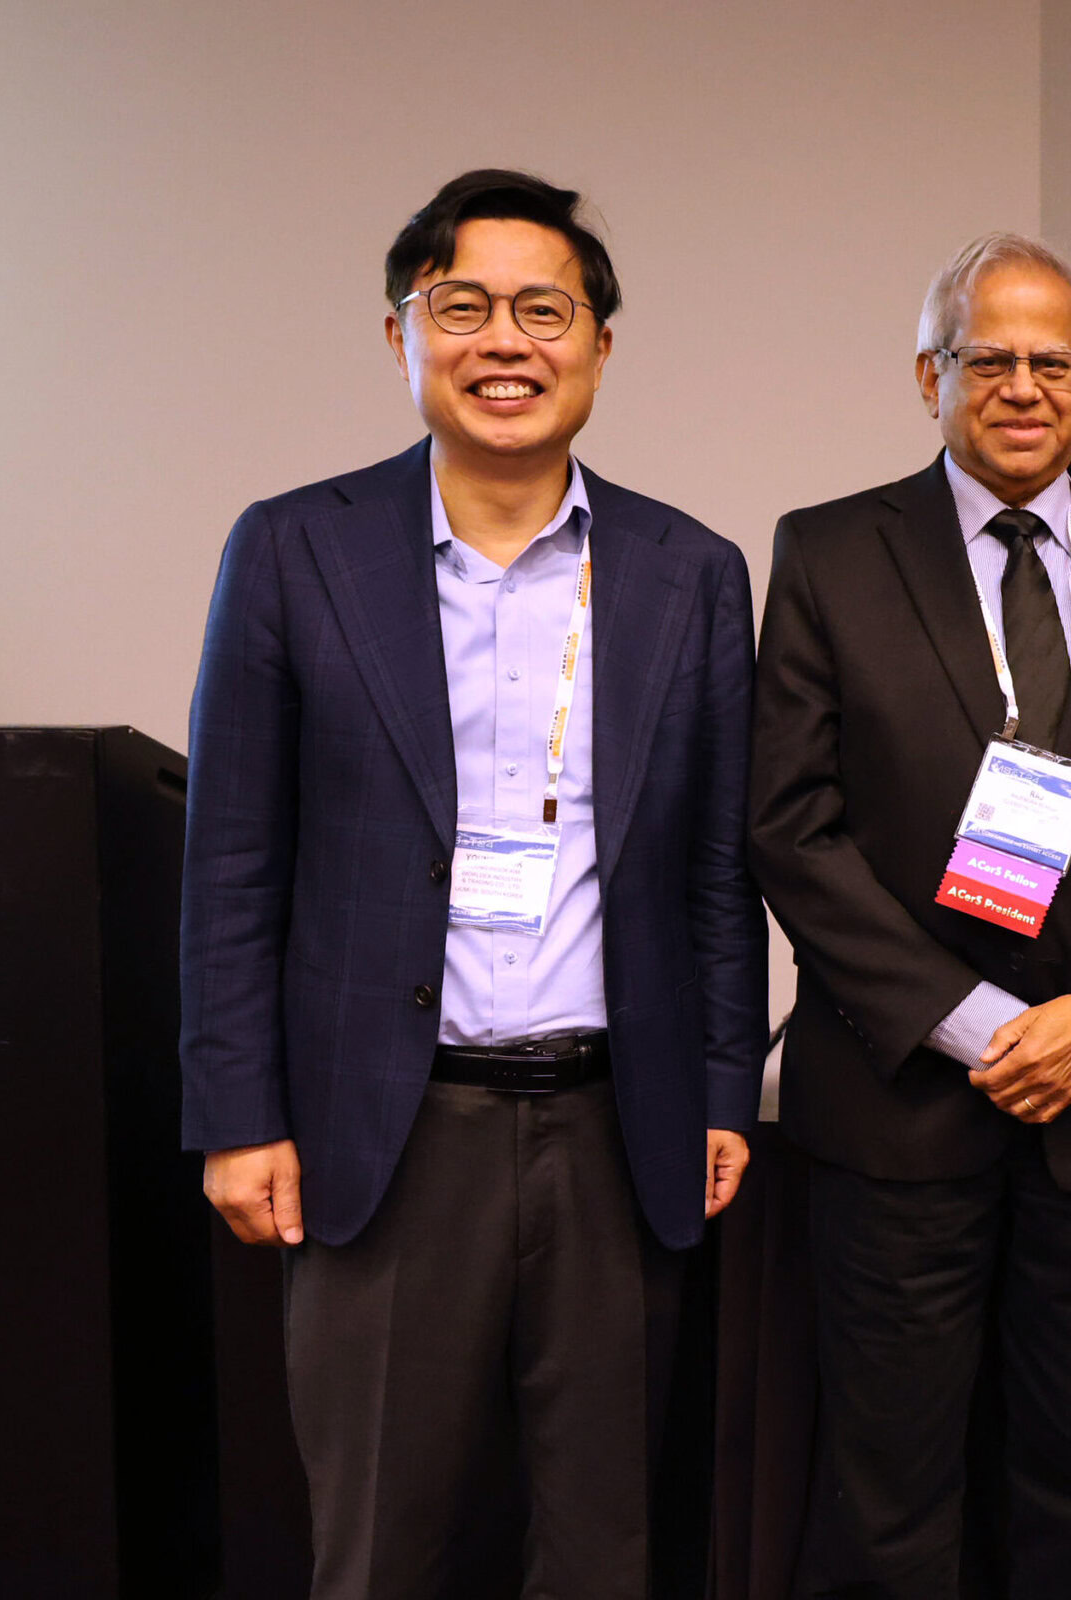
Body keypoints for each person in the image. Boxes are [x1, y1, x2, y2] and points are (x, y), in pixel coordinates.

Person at [180, 168, 771, 1597]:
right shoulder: (294, 549)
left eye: (543, 310)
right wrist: (237, 1113)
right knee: (379, 1547)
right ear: (402, 337)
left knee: (602, 1549)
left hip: (615, 1135)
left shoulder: (687, 572)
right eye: (464, 307)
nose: (505, 342)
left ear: (600, 347)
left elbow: (713, 867)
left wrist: (716, 1089)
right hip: (380, 1137)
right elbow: (233, 856)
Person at [747, 232, 1071, 1598]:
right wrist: (970, 1027)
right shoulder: (831, 553)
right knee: (888, 1497)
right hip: (898, 1105)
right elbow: (793, 826)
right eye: (987, 357)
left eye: (1052, 360)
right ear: (929, 375)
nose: (1022, 385)